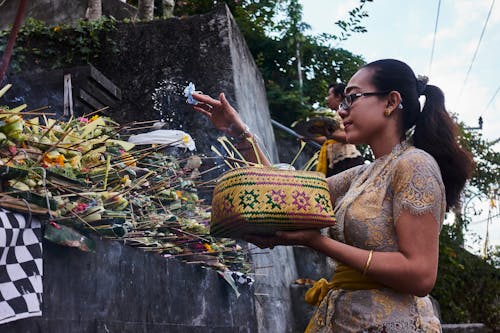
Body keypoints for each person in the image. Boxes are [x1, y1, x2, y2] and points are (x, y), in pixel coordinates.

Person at [191, 59, 474, 332]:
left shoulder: (415, 164)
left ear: (390, 102)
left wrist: (319, 243)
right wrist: (239, 132)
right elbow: (284, 195)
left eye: (352, 98)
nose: (340, 111)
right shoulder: (362, 174)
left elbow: (421, 275)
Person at [306, 83, 364, 176]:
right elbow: (330, 140)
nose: (327, 98)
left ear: (338, 96)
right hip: (334, 163)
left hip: (348, 160)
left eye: (329, 95)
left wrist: (327, 133)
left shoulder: (346, 114)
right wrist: (309, 137)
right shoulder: (334, 117)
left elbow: (349, 137)